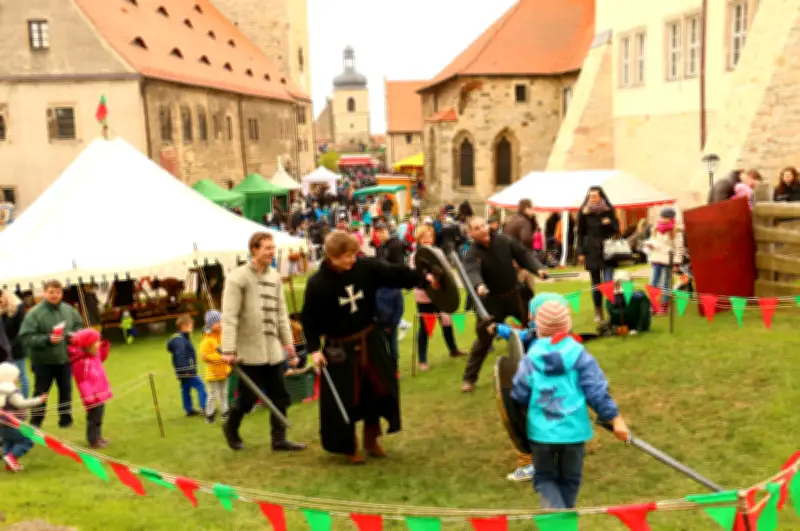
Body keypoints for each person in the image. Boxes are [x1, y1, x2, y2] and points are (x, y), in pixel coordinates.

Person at [302, 231, 438, 464]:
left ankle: (371, 440)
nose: (352, 259)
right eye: (346, 256)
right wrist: (314, 349)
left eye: (354, 254)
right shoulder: (317, 283)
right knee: (346, 399)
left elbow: (394, 274)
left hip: (370, 339)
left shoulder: (366, 268)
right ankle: (349, 446)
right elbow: (309, 318)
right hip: (338, 348)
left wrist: (423, 279)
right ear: (332, 256)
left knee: (379, 390)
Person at [510, 298, 629, 509]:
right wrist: (615, 419)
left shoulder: (530, 358)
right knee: (570, 480)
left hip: (541, 434)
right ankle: (563, 516)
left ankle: (558, 515)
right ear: (567, 326)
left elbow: (519, 392)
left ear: (538, 328)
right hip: (573, 433)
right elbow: (596, 390)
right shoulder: (579, 354)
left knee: (545, 478)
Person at [221, 232, 306, 452]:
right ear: (254, 249)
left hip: (273, 351)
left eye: (273, 247)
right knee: (248, 400)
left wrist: (289, 345)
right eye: (267, 247)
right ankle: (231, 427)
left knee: (281, 396)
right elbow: (229, 317)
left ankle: (279, 439)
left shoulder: (274, 277)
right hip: (249, 352)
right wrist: (228, 349)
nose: (271, 251)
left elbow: (281, 315)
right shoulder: (237, 278)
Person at [461, 217, 547, 393]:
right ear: (471, 233)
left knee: (536, 329)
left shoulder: (505, 241)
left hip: (514, 296)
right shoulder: (471, 254)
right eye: (477, 228)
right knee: (484, 339)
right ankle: (469, 378)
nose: (482, 229)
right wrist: (479, 285)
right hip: (491, 302)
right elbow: (472, 271)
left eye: (483, 225)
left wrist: (537, 269)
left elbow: (523, 254)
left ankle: (546, 364)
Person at [19, 280, 83, 428]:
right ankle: (36, 422)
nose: (55, 295)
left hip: (64, 359)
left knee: (66, 390)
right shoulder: (35, 313)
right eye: (51, 292)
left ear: (62, 293)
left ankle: (65, 420)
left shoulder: (68, 310)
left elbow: (79, 325)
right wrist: (47, 339)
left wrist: (73, 336)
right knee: (41, 393)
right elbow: (26, 336)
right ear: (44, 293)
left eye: (58, 292)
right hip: (43, 361)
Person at [409, 226, 465, 371]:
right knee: (425, 327)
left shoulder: (439, 252)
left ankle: (453, 350)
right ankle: (422, 360)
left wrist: (440, 278)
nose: (427, 239)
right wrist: (427, 277)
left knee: (447, 321)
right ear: (419, 239)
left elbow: (444, 270)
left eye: (429, 236)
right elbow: (417, 272)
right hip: (424, 296)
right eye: (424, 237)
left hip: (441, 294)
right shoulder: (414, 256)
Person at [576, 187, 619, 323]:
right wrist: (581, 251)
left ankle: (612, 311)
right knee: (596, 284)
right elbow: (580, 233)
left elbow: (617, 230)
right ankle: (598, 311)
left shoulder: (608, 210)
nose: (592, 199)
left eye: (595, 196)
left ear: (601, 197)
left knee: (608, 283)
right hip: (591, 251)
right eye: (590, 196)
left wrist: (609, 224)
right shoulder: (583, 213)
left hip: (608, 251)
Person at [67, 328, 112, 448]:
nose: (99, 343)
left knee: (99, 417)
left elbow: (102, 357)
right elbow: (82, 381)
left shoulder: (94, 356)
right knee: (93, 419)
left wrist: (104, 346)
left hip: (100, 393)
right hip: (92, 396)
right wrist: (88, 397)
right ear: (88, 345)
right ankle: (93, 440)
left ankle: (98, 437)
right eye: (96, 342)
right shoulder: (81, 363)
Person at [0, 362, 47, 472]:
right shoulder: (12, 391)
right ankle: (11, 458)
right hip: (12, 424)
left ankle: (10, 464)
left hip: (2, 426)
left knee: (9, 442)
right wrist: (38, 400)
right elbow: (21, 404)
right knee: (27, 440)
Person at [373, 222, 405, 361]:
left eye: (382, 231)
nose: (380, 234)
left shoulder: (395, 245)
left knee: (392, 334)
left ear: (387, 230)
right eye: (377, 232)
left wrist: (383, 266)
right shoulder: (380, 247)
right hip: (381, 286)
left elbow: (399, 265)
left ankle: (394, 364)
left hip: (392, 286)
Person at [644, 207, 684, 315]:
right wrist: (650, 245)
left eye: (666, 217)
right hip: (656, 259)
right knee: (653, 283)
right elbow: (652, 241)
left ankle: (664, 305)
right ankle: (653, 305)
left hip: (668, 261)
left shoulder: (676, 231)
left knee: (665, 284)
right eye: (662, 217)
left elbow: (679, 248)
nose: (664, 219)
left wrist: (676, 263)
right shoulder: (655, 228)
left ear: (671, 218)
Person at [167, 316, 207, 417]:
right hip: (187, 370)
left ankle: (188, 410)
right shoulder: (180, 340)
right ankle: (204, 407)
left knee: (185, 388)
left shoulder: (181, 338)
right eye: (191, 326)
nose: (192, 328)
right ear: (184, 326)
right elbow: (180, 355)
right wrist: (186, 370)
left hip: (183, 370)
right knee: (200, 386)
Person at [198, 310, 231, 424]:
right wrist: (220, 357)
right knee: (213, 394)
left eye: (221, 321)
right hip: (212, 374)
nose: (221, 324)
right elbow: (204, 356)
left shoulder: (223, 336)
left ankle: (225, 412)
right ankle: (210, 414)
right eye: (217, 322)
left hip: (224, 371)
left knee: (223, 393)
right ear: (211, 325)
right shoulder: (206, 340)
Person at [1, 291, 27, 397]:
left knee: (21, 377)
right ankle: (11, 404)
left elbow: (22, 332)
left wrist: (9, 346)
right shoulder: (1, 312)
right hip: (3, 352)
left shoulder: (18, 309)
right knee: (6, 379)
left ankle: (23, 401)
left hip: (16, 350)